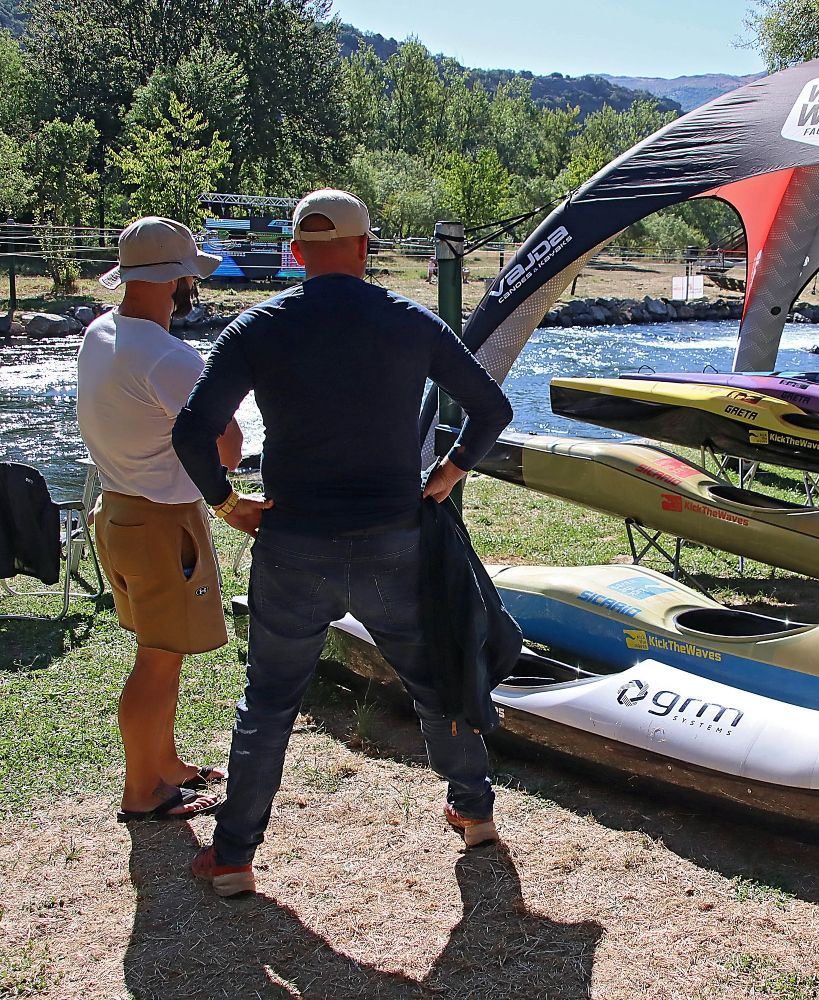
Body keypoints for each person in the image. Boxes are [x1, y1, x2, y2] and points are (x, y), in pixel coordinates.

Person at [172, 189, 514, 897]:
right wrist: (448, 472)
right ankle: (473, 811)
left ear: (296, 252)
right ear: (366, 248)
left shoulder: (257, 328)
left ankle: (233, 853)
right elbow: (492, 407)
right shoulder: (409, 322)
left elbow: (190, 431)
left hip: (293, 540)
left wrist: (228, 503)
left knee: (268, 700)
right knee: (433, 680)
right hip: (395, 536)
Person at [76, 217, 244, 822]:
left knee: (157, 651)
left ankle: (164, 764)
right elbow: (228, 446)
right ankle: (143, 790)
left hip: (120, 511)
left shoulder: (101, 332)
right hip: (161, 522)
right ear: (175, 279)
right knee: (157, 658)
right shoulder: (168, 356)